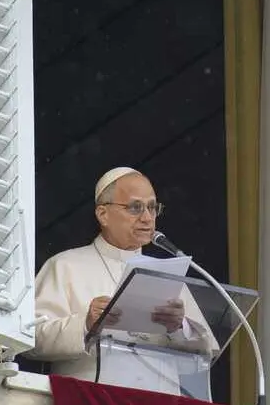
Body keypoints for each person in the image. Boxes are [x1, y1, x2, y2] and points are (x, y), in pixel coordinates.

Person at [28, 166, 219, 391]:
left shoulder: (168, 273)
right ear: (103, 214)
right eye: (135, 207)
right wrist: (86, 324)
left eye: (152, 207)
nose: (147, 218)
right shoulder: (65, 265)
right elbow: (30, 339)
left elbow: (207, 351)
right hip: (92, 397)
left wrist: (179, 326)